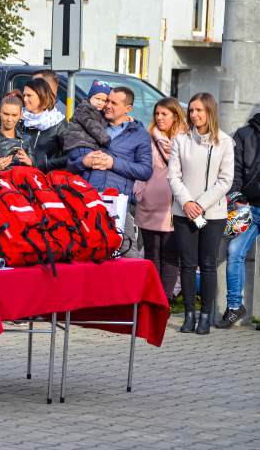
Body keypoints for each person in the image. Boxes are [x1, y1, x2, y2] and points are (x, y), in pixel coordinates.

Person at [168, 92, 234, 335]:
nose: (194, 115)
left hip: (212, 214)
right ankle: (188, 314)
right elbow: (173, 175)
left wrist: (201, 204)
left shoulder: (225, 142)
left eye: (199, 110)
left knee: (207, 264)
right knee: (186, 264)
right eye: (192, 110)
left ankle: (205, 316)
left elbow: (226, 180)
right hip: (184, 211)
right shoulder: (181, 139)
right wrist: (187, 202)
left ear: (210, 112)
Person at [133, 97, 187, 300]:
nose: (159, 118)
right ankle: (152, 296)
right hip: (149, 202)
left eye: (164, 114)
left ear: (175, 116)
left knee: (170, 254)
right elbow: (140, 166)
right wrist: (140, 191)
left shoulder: (186, 140)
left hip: (173, 205)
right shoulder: (148, 138)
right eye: (157, 114)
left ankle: (165, 298)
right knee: (151, 253)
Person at [217, 111, 260, 329]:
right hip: (249, 208)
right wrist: (237, 198)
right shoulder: (244, 134)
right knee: (234, 251)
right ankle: (234, 307)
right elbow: (235, 173)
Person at [67, 87, 152, 196]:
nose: (107, 105)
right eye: (107, 101)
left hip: (116, 200)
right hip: (84, 196)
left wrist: (113, 163)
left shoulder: (140, 134)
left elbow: (145, 171)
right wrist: (83, 162)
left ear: (128, 109)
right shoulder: (92, 124)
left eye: (114, 103)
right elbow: (69, 163)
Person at [21, 77, 68, 173]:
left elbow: (69, 156)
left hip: (47, 180)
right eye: (24, 95)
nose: (25, 99)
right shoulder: (21, 119)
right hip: (20, 177)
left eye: (29, 95)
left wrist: (38, 165)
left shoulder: (58, 123)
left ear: (41, 96)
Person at [61, 80, 112, 153]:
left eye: (104, 100)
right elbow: (93, 126)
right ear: (90, 97)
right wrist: (106, 140)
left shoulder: (100, 112)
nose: (100, 102)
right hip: (78, 144)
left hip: (88, 145)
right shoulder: (84, 109)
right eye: (97, 98)